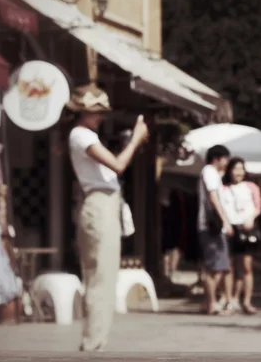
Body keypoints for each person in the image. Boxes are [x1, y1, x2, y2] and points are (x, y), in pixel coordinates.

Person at [66, 84, 149, 352]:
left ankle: (96, 340)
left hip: (103, 204)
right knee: (100, 276)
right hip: (99, 205)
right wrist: (135, 140)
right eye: (95, 112)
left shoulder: (84, 135)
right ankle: (93, 342)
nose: (100, 117)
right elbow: (118, 164)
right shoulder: (81, 136)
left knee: (102, 275)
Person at [220, 157, 261, 314]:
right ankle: (230, 299)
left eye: (241, 168)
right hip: (230, 228)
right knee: (229, 267)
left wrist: (251, 219)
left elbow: (258, 206)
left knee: (246, 266)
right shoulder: (223, 188)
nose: (238, 172)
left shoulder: (251, 187)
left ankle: (246, 300)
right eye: (236, 168)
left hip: (247, 228)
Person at [198, 145, 234, 315]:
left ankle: (208, 302)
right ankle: (211, 303)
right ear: (217, 158)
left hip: (211, 226)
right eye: (225, 158)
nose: (227, 163)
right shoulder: (210, 172)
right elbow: (213, 198)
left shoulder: (212, 174)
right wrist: (225, 221)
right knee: (216, 266)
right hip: (211, 226)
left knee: (218, 265)